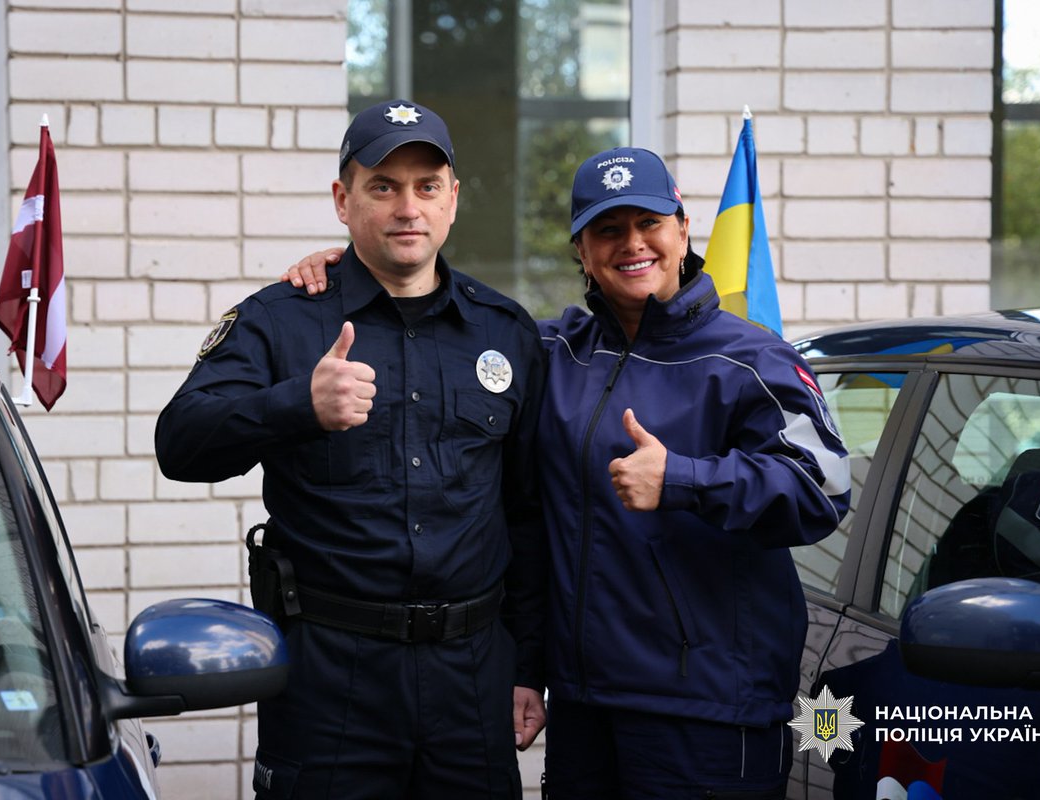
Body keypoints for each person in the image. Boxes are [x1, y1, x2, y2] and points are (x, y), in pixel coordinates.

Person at [284, 145, 851, 798]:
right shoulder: (554, 350)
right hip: (585, 706)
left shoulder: (753, 359)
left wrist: (685, 478)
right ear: (582, 251)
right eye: (608, 230)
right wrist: (356, 269)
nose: (631, 244)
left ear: (683, 229)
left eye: (648, 224)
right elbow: (448, 327)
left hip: (709, 711)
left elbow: (824, 487)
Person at [156, 99, 547, 800]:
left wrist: (529, 664)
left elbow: (526, 512)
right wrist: (295, 405)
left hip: (471, 677)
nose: (408, 207)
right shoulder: (281, 320)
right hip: (329, 679)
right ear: (343, 199)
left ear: (453, 200)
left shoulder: (507, 333)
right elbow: (180, 443)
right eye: (382, 186)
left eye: (427, 187)